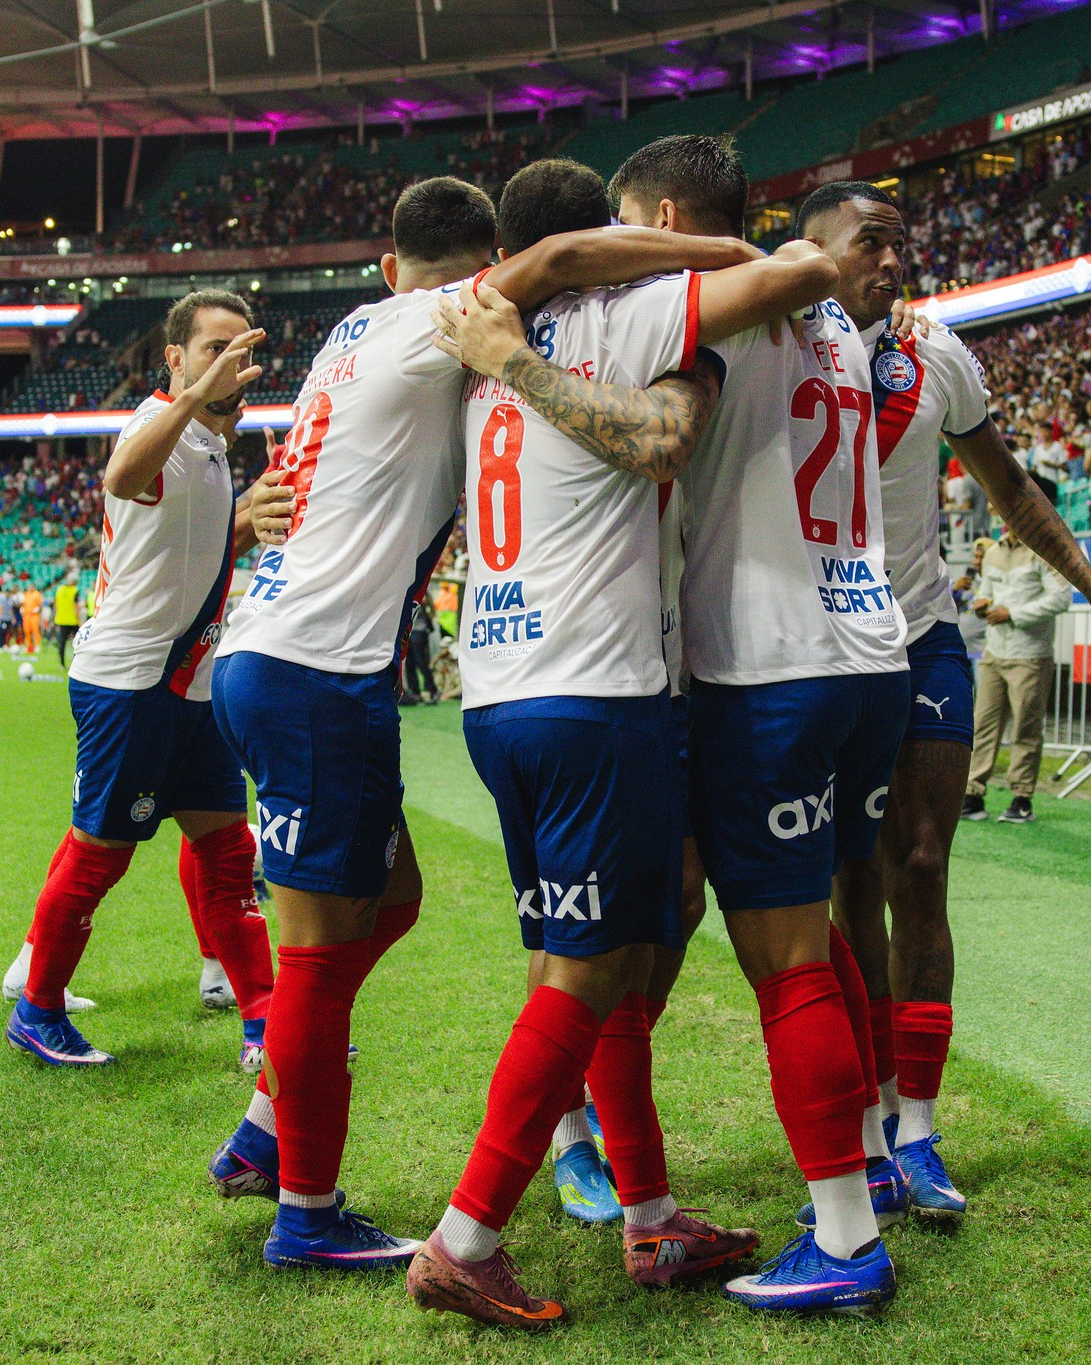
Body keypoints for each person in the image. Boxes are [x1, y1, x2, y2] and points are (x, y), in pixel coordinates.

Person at [206, 176, 769, 1277]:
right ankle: (304, 1212)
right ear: (476, 276)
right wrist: (705, 251)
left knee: (396, 899)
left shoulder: (353, 332)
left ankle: (268, 1133)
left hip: (284, 651)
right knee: (316, 962)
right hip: (325, 669)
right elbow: (555, 265)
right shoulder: (443, 321)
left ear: (385, 264)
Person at [405, 156, 836, 1328]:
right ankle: (466, 1236)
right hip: (597, 694)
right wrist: (723, 259)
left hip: (497, 693)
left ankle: (648, 1217)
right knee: (590, 973)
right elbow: (662, 439)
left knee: (609, 959)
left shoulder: (467, 358)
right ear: (610, 239)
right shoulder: (616, 317)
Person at [796, 181, 1091, 1230]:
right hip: (817, 647)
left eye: (900, 241)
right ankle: (862, 1124)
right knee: (846, 881)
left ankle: (919, 1127)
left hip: (921, 636)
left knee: (920, 864)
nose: (891, 259)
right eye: (869, 242)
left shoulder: (935, 356)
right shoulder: (773, 341)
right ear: (811, 252)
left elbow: (1010, 488)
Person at [603, 133, 905, 1316]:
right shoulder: (843, 327)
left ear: (667, 219)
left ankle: (842, 1239)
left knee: (780, 960)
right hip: (864, 653)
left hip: (771, 664)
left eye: (635, 229)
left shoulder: (730, 301)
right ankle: (870, 1158)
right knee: (815, 932)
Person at [1, 288, 284, 1080]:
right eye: (210, 348)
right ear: (175, 358)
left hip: (189, 684)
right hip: (130, 680)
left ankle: (263, 1021)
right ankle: (39, 1008)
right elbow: (123, 475)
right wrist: (198, 394)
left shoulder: (209, 444)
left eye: (242, 349)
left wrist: (248, 512)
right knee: (101, 853)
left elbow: (181, 547)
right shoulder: (157, 422)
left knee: (229, 854)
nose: (231, 362)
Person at [962, 526, 1074, 824]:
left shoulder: (1044, 551)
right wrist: (981, 603)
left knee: (1025, 727)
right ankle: (972, 793)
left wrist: (1012, 613)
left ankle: (1021, 798)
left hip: (1030, 653)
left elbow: (1062, 598)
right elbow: (986, 590)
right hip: (994, 651)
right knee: (983, 724)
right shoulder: (993, 552)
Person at [401, 599, 436, 705]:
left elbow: (425, 602)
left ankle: (431, 690)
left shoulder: (420, 587)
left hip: (419, 630)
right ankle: (415, 692)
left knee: (420, 661)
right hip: (408, 631)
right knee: (409, 662)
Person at [51, 575, 82, 668]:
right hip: (73, 621)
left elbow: (55, 603)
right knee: (78, 643)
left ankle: (62, 664)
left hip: (61, 620)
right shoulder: (75, 591)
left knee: (62, 643)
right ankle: (77, 663)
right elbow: (76, 607)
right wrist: (79, 621)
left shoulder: (59, 589)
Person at [20, 583, 43, 655]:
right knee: (27, 631)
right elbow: (23, 603)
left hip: (34, 615)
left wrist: (38, 609)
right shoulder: (26, 594)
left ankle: (37, 645)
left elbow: (40, 604)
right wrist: (22, 608)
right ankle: (29, 646)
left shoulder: (37, 594)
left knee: (35, 630)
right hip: (26, 615)